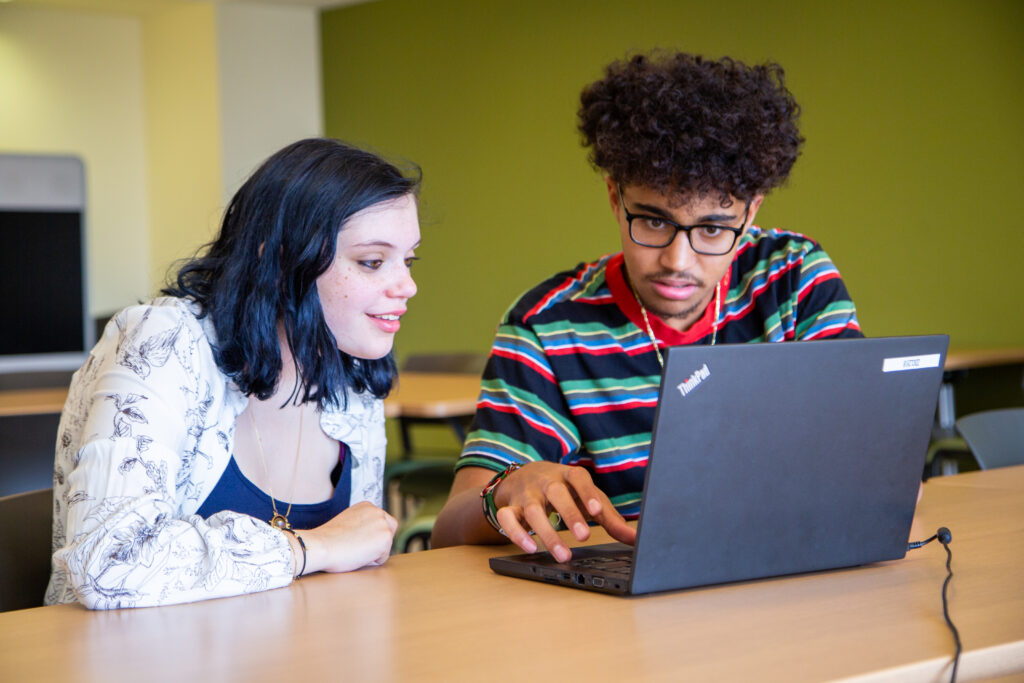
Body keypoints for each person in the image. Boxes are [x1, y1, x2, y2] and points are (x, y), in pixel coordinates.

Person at [431, 51, 862, 562]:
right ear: (615, 197)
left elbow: (871, 465)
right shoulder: (548, 326)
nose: (678, 261)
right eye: (653, 222)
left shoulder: (793, 278)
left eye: (711, 228)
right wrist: (504, 490)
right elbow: (448, 529)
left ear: (751, 213)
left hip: (794, 573)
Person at [46, 138, 421, 608]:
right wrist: (313, 547)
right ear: (279, 260)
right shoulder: (164, 341)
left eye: (408, 260)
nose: (407, 286)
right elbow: (108, 563)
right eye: (372, 262)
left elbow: (351, 575)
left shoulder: (352, 377)